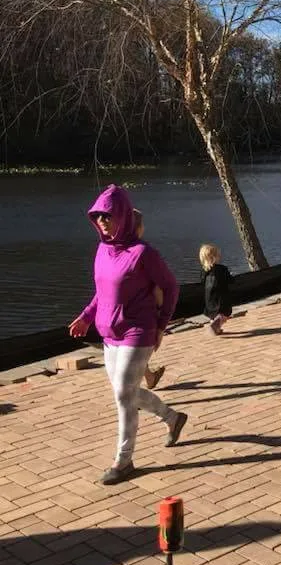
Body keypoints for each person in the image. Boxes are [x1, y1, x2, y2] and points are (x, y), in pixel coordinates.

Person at [68, 184, 187, 486]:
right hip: (109, 333)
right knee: (127, 394)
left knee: (123, 393)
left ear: (122, 215)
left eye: (107, 216)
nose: (102, 222)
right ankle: (173, 418)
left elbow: (171, 287)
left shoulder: (143, 253)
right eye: (97, 217)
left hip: (139, 330)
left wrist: (161, 325)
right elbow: (102, 292)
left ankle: (124, 461)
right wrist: (86, 316)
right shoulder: (102, 250)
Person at [132, 209, 165, 390]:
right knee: (134, 354)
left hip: (132, 319)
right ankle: (142, 384)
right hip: (135, 319)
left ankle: (145, 381)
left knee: (134, 355)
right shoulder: (144, 253)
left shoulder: (143, 254)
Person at [200, 243, 234, 335]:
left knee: (212, 315)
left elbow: (202, 282)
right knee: (224, 314)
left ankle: (215, 328)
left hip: (209, 298)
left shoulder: (204, 271)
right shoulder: (222, 269)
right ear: (215, 257)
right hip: (221, 297)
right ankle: (217, 322)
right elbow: (230, 280)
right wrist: (231, 276)